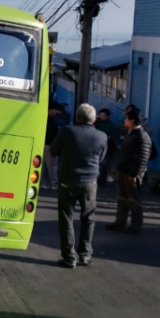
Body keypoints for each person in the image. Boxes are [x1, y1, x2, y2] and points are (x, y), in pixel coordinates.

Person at [49, 103, 107, 269]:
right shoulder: (102, 136)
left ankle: (69, 257)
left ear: (77, 117)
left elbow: (53, 150)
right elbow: (101, 158)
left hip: (68, 180)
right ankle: (85, 254)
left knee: (66, 218)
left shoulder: (67, 131)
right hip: (90, 182)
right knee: (88, 218)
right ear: (94, 119)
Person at [107, 108, 152, 235]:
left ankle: (135, 226)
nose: (124, 121)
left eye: (126, 119)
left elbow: (142, 158)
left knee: (134, 200)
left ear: (132, 121)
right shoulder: (131, 134)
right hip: (123, 171)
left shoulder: (141, 136)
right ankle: (119, 223)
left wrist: (135, 174)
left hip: (131, 173)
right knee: (122, 198)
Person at [94, 108, 120, 187]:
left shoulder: (111, 125)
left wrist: (109, 137)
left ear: (107, 116)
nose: (102, 117)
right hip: (96, 145)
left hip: (107, 146)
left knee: (104, 164)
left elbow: (115, 136)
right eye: (101, 115)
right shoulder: (97, 123)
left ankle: (102, 180)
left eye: (104, 115)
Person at [43, 102, 62, 189]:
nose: (57, 114)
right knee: (52, 165)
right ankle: (54, 183)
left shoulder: (43, 117)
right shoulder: (51, 122)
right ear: (52, 110)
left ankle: (42, 182)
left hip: (43, 144)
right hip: (49, 145)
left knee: (43, 164)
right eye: (56, 112)